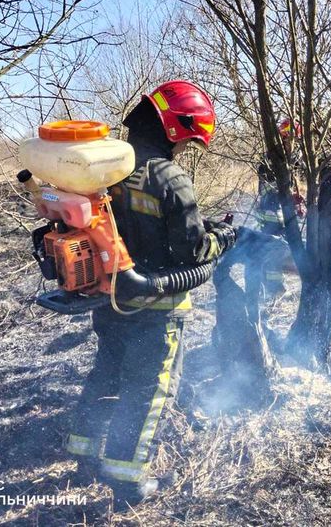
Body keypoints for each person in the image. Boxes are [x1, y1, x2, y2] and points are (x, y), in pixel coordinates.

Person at [64, 80, 236, 507]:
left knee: (106, 373)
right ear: (178, 129)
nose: (185, 151)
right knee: (148, 390)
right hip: (156, 306)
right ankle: (126, 480)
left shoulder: (108, 168)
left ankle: (81, 451)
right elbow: (192, 251)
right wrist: (223, 237)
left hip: (110, 297)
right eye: (189, 142)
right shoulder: (169, 177)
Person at [255, 119, 305, 298]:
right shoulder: (271, 159)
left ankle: (274, 287)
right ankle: (273, 289)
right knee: (274, 250)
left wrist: (298, 201)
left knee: (286, 248)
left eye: (295, 140)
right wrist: (288, 197)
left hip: (283, 212)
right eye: (289, 139)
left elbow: (296, 183)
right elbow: (267, 189)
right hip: (271, 213)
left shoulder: (293, 158)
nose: (293, 143)